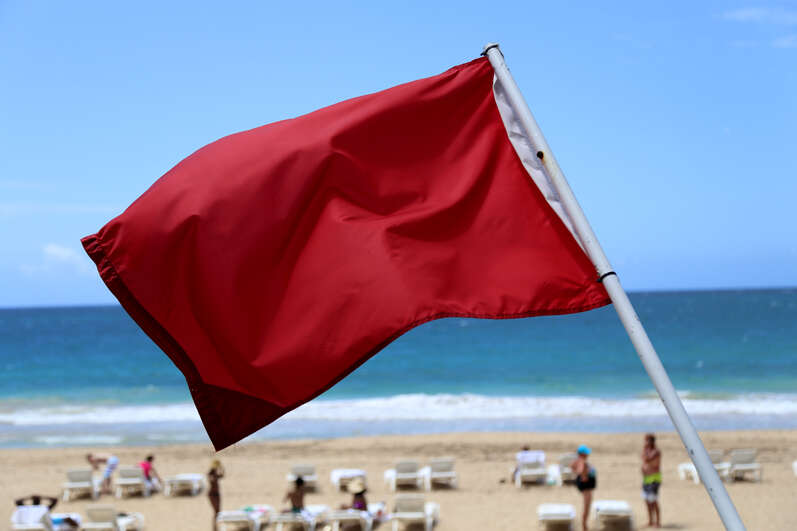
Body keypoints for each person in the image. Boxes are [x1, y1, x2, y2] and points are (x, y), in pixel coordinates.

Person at [572, 445, 596, 531]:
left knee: (587, 506)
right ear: (582, 454)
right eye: (586, 453)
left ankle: (584, 525)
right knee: (587, 507)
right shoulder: (582, 461)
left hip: (585, 487)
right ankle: (584, 526)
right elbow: (580, 470)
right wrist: (583, 475)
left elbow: (572, 467)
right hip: (586, 487)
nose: (588, 455)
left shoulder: (578, 461)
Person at [641, 433, 662, 528]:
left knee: (653, 501)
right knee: (647, 501)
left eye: (647, 440)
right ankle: (650, 520)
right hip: (646, 478)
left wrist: (645, 450)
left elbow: (647, 460)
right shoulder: (647, 450)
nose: (645, 443)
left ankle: (657, 522)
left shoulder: (656, 452)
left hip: (654, 478)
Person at [207, 459, 225, 531]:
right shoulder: (210, 473)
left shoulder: (215, 473)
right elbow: (211, 480)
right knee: (216, 511)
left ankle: (216, 527)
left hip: (217, 494)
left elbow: (222, 475)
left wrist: (221, 467)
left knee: (218, 511)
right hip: (212, 494)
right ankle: (214, 528)